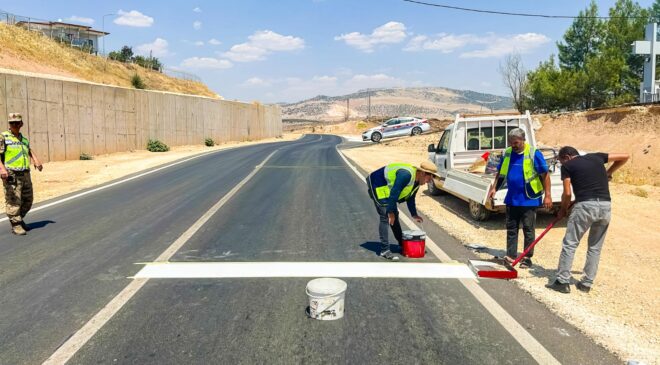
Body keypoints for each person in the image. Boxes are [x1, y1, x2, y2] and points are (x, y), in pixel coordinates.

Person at [546, 147, 628, 294]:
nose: (561, 164)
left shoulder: (567, 166)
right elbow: (625, 156)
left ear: (567, 157)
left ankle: (562, 281)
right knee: (595, 247)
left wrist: (563, 210)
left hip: (585, 205)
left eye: (560, 161)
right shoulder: (597, 157)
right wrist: (608, 172)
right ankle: (586, 284)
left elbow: (567, 192)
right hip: (605, 205)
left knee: (570, 243)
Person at [488, 128, 552, 268]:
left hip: (529, 198)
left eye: (515, 142)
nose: (513, 145)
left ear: (523, 140)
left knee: (528, 229)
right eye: (511, 142)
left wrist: (548, 195)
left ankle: (527, 258)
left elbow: (545, 175)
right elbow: (501, 173)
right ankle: (511, 256)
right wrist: (494, 188)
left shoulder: (533, 153)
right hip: (512, 198)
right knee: (511, 228)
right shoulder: (508, 153)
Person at [366, 161, 438, 261]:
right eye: (429, 179)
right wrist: (390, 212)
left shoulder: (417, 181)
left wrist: (414, 214)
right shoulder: (406, 175)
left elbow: (411, 198)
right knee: (386, 217)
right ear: (423, 173)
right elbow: (395, 192)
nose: (428, 182)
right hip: (377, 184)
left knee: (394, 216)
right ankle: (384, 250)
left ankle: (402, 244)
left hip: (389, 191)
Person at [0, 113, 43, 235]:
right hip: (11, 174)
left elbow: (28, 149)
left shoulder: (23, 139)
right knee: (14, 200)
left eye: (17, 122)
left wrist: (36, 160)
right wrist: (2, 169)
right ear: (9, 124)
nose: (14, 125)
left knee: (28, 200)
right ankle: (16, 224)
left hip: (25, 173)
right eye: (12, 123)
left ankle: (19, 218)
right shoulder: (3, 137)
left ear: (21, 124)